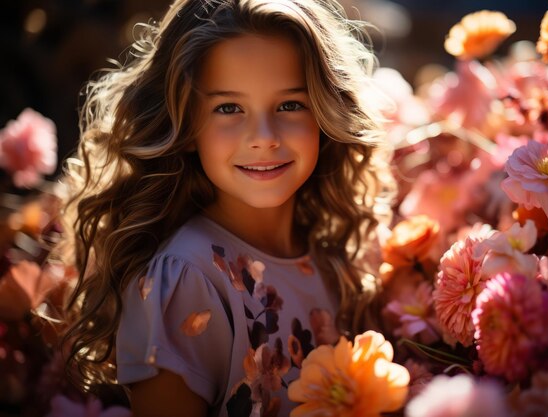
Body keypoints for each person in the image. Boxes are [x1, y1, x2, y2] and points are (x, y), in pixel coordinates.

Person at [59, 0, 394, 415]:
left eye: (290, 104)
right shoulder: (185, 279)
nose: (264, 137)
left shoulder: (334, 253)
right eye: (228, 108)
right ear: (185, 124)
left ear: (326, 112)